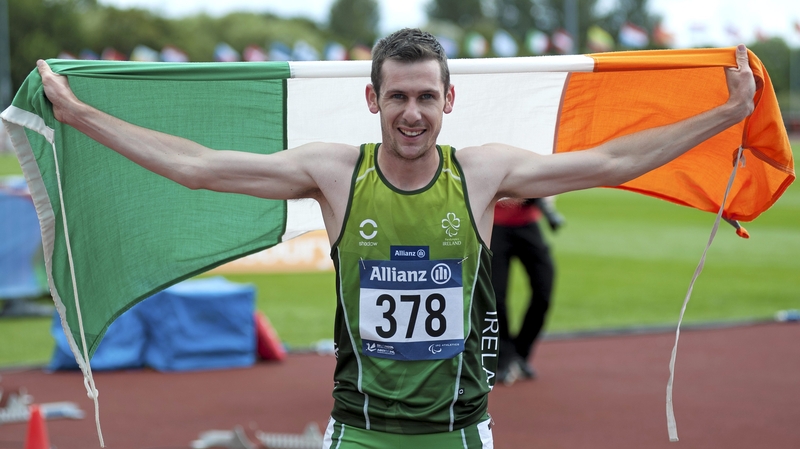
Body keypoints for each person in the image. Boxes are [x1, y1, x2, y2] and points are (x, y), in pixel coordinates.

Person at [35, 28, 755, 449]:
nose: (413, 113)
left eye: (426, 96)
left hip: (460, 431)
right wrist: (80, 115)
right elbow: (196, 167)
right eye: (399, 96)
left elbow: (610, 160)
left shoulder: (482, 172)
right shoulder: (333, 173)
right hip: (360, 431)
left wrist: (723, 117)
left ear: (449, 100)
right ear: (373, 98)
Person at [492, 197, 563, 385]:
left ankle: (520, 354)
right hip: (494, 225)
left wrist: (547, 198)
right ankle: (504, 358)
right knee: (495, 297)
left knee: (543, 291)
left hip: (528, 224)